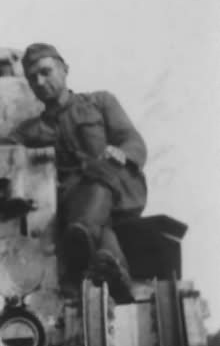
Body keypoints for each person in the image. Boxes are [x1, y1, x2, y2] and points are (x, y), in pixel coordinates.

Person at [14, 42, 147, 301]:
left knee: (98, 177)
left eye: (46, 72)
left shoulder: (99, 102)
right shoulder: (29, 131)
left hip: (116, 189)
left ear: (64, 69)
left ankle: (83, 236)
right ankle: (113, 268)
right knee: (91, 227)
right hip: (70, 202)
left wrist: (123, 153)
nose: (40, 82)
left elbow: (132, 140)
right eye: (33, 79)